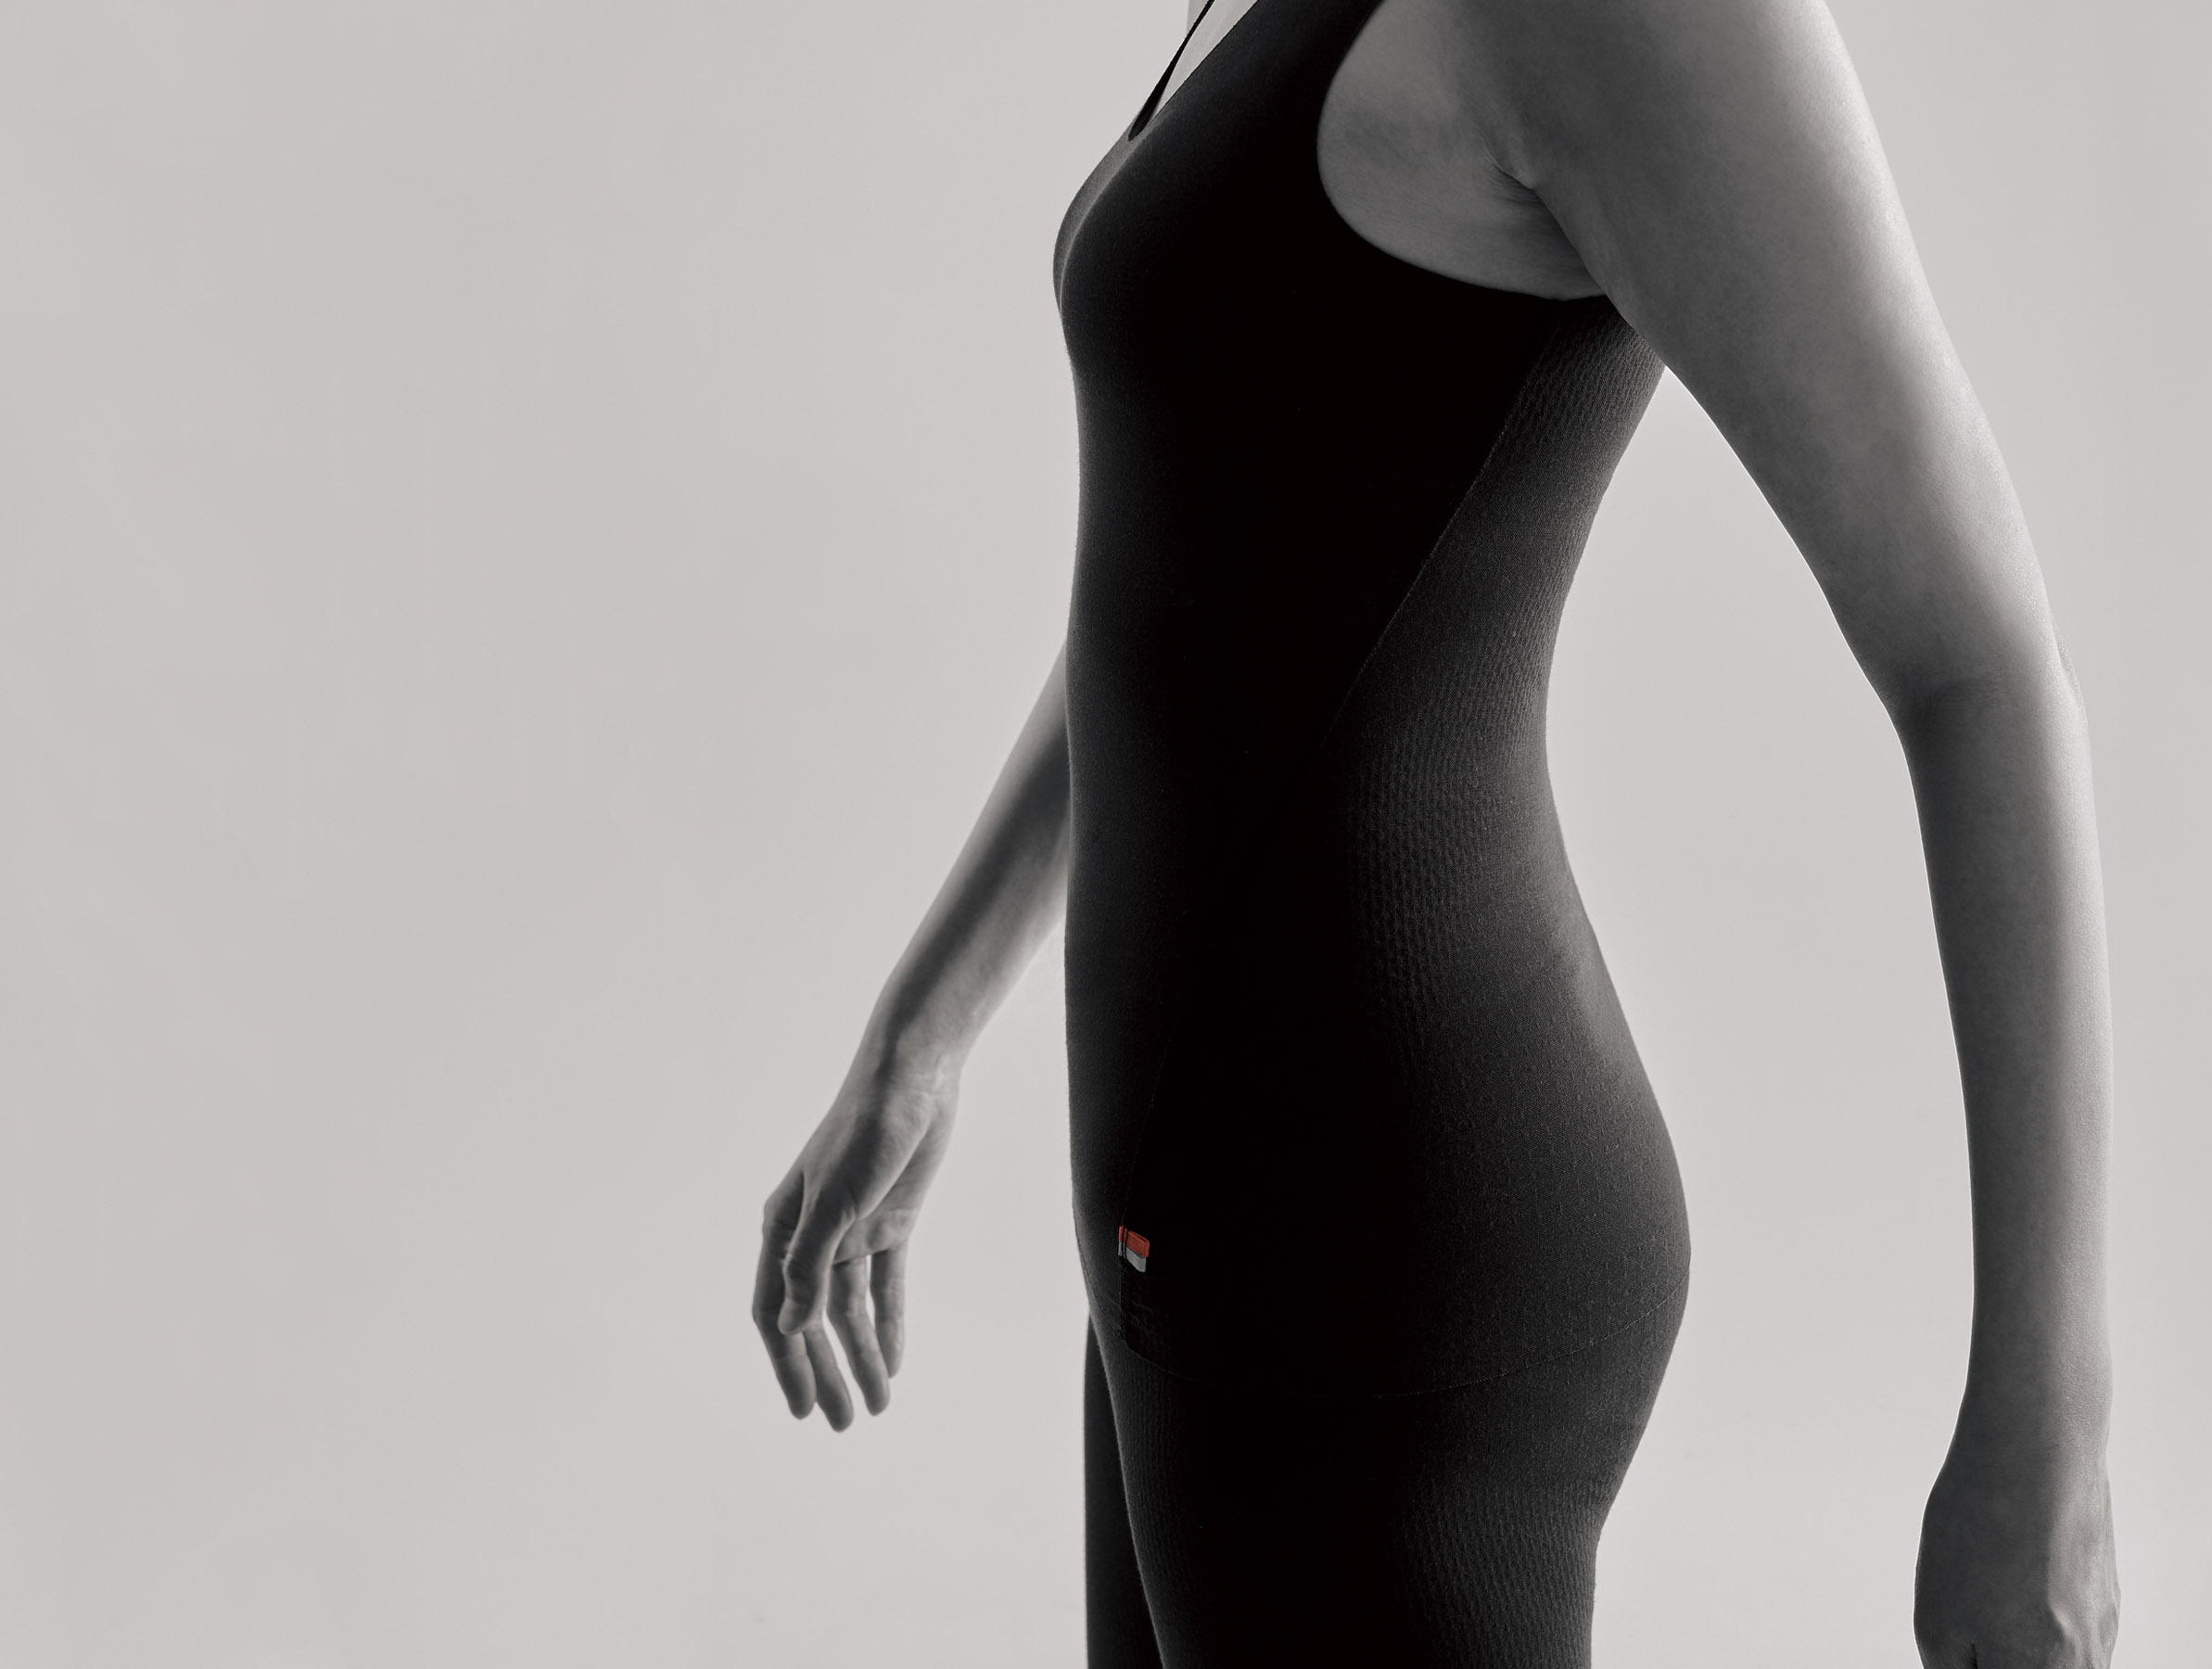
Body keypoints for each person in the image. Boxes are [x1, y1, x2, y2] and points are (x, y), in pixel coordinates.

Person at [750, 0, 2117, 1660]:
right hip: (1200, 1233)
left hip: (1388, 1263)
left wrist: (2045, 1440)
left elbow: (1979, 671)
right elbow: (1218, 574)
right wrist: (924, 1027)